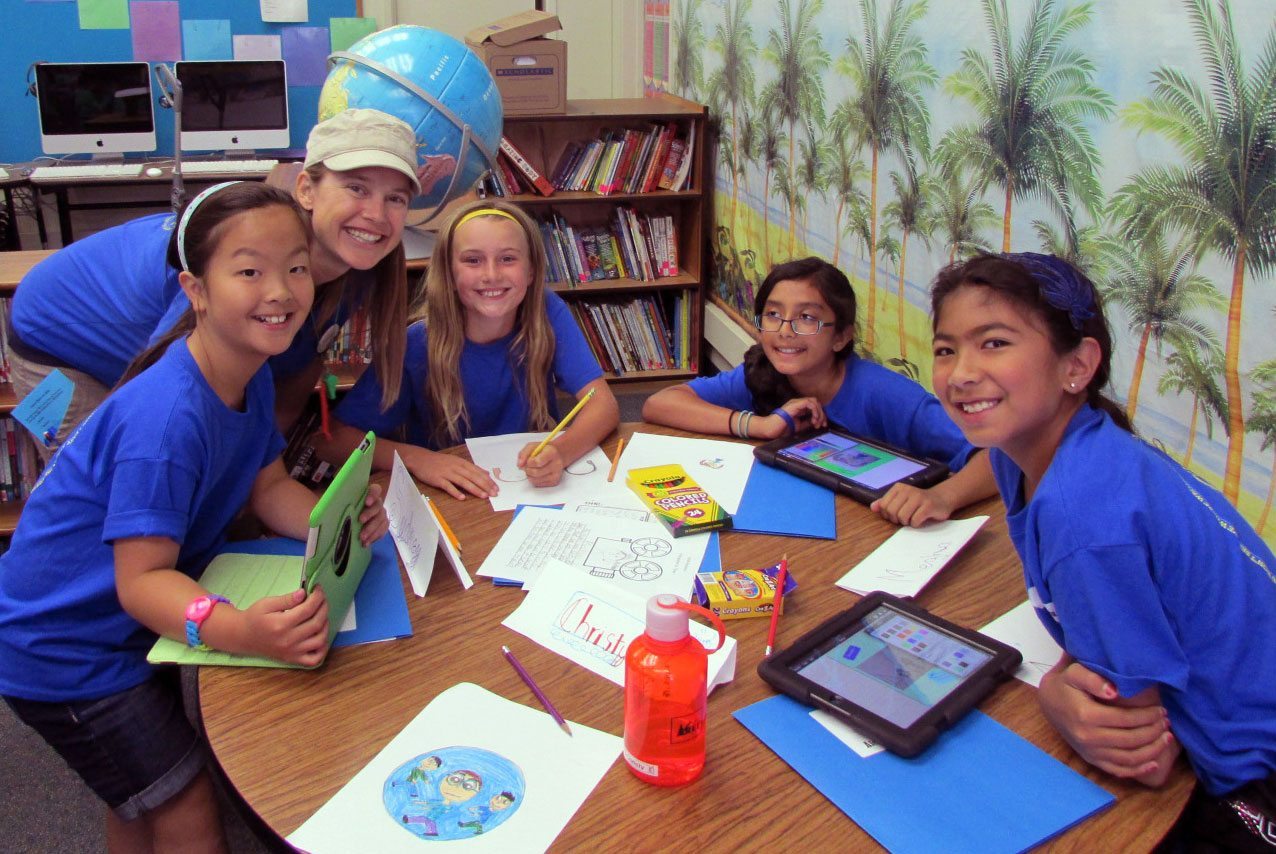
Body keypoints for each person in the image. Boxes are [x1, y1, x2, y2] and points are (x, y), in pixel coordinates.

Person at [0, 182, 390, 853]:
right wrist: (238, 629)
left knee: (135, 798)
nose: (280, 291)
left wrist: (336, 517)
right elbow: (141, 581)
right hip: (64, 647)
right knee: (184, 807)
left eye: (295, 268)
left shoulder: (252, 371)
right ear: (195, 289)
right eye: (249, 271)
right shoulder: (169, 419)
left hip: (123, 631)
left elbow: (267, 486)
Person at [929, 252, 1276, 850]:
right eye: (945, 349)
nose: (960, 373)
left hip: (1249, 781)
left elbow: (1147, 754)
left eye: (993, 343)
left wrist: (1055, 697)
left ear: (1077, 365)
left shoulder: (1082, 515)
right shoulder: (1040, 455)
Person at [8, 108, 447, 452]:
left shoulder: (358, 273)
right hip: (55, 346)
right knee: (108, 485)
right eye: (356, 188)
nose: (375, 213)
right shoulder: (242, 264)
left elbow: (296, 378)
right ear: (307, 190)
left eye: (395, 198)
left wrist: (266, 472)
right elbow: (168, 404)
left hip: (133, 348)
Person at [642, 256, 995, 526]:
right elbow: (661, 404)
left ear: (841, 335)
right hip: (800, 518)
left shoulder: (883, 393)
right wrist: (758, 426)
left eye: (807, 318)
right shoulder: (760, 373)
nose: (785, 331)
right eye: (773, 314)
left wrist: (942, 497)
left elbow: (1000, 456)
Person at [315, 199, 620, 499]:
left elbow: (603, 405)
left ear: (531, 272)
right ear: (449, 273)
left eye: (508, 259)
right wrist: (420, 460)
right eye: (473, 260)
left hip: (529, 485)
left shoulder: (545, 310)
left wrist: (560, 451)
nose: (491, 275)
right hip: (452, 494)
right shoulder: (416, 343)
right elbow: (334, 441)